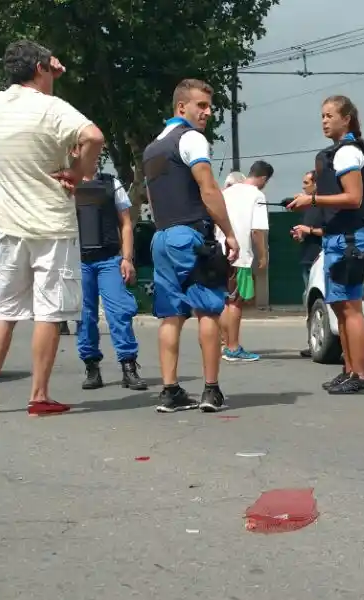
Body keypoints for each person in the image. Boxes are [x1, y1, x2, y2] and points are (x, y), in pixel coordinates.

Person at [0, 40, 105, 416]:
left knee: (4, 311)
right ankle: (39, 394)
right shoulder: (52, 108)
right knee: (48, 311)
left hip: (10, 225)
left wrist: (49, 72)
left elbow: (41, 111)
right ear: (41, 68)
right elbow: (92, 136)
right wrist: (79, 172)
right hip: (51, 223)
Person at [141, 78, 241, 414]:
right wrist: (228, 232)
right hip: (190, 234)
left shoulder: (152, 148)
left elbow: (153, 200)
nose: (208, 113)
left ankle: (170, 391)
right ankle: (211, 390)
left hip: (161, 236)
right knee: (209, 311)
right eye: (201, 106)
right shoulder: (192, 139)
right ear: (181, 107)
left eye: (209, 107)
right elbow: (208, 188)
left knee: (170, 315)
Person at [286, 95, 364, 395]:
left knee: (351, 307)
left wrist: (311, 199)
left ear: (346, 118)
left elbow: (353, 198)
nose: (324, 121)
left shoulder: (348, 152)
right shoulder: (335, 153)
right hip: (336, 237)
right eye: (322, 116)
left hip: (350, 238)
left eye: (329, 115)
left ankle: (361, 376)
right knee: (339, 306)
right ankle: (349, 369)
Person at [74, 170, 149, 391]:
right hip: (79, 261)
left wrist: (127, 259)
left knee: (119, 312)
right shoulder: (67, 182)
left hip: (109, 259)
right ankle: (91, 368)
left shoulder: (110, 183)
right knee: (84, 316)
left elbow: (125, 223)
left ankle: (129, 368)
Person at [217, 160, 273, 362]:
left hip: (219, 251)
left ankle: (225, 343)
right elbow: (257, 230)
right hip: (239, 254)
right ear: (264, 179)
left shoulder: (226, 192)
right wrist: (263, 255)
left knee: (224, 300)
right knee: (236, 302)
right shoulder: (257, 195)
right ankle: (233, 347)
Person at [290, 170, 324, 358]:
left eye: (306, 182)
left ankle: (321, 342)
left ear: (316, 184)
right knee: (309, 303)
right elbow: (309, 230)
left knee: (320, 303)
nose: (303, 186)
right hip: (306, 258)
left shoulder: (323, 205)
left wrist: (308, 230)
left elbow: (327, 230)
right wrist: (300, 233)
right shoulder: (308, 207)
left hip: (318, 260)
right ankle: (313, 341)